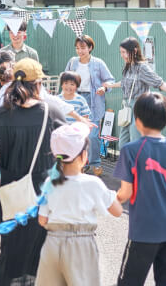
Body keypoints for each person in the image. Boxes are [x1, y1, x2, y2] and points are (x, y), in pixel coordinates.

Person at [0, 58, 65, 286]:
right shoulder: (51, 111)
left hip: (9, 192)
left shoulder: (2, 114)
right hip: (43, 193)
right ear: (39, 83)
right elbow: (70, 149)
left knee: (10, 251)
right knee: (40, 252)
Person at [114, 92, 166, 285]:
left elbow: (125, 193)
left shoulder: (130, 150)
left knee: (130, 280)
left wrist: (110, 199)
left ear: (137, 120)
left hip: (143, 229)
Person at [36, 122, 122, 286]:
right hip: (81, 245)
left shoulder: (50, 182)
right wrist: (114, 195)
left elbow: (42, 220)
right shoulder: (92, 184)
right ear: (84, 156)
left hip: (52, 244)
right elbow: (117, 211)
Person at [103, 37, 166, 147]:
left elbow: (158, 82)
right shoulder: (128, 66)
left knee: (136, 140)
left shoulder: (142, 68)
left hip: (140, 107)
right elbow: (124, 82)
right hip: (127, 106)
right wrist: (111, 85)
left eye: (124, 52)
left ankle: (140, 163)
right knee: (123, 142)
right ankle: (126, 163)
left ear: (135, 51)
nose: (122, 55)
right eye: (121, 52)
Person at [65, 35, 114, 174]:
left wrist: (103, 88)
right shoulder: (73, 62)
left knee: (92, 135)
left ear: (90, 48)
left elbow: (110, 80)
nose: (80, 51)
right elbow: (65, 78)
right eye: (77, 48)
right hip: (75, 99)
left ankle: (95, 163)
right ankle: (81, 162)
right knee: (77, 134)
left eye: (83, 48)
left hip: (93, 101)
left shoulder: (98, 63)